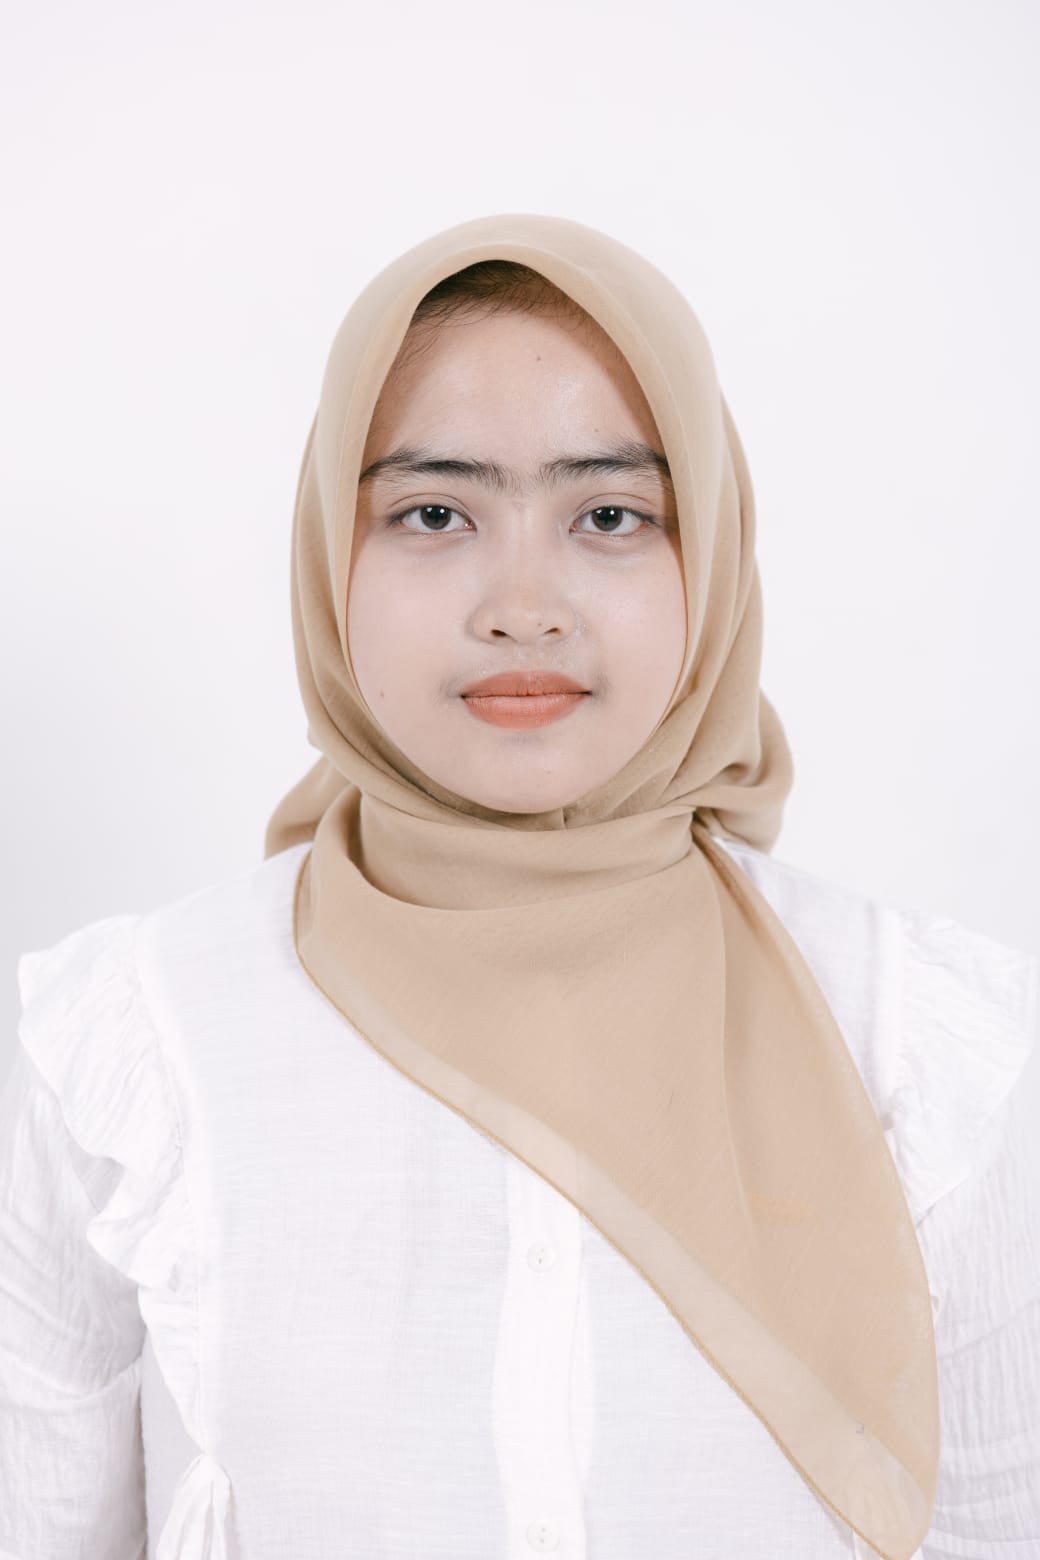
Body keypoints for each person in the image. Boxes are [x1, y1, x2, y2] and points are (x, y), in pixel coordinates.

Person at [1, 214, 1037, 1560]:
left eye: (610, 516)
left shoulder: (935, 1041)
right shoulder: (118, 1043)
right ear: (329, 557)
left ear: (711, 556)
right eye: (435, 514)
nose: (524, 604)